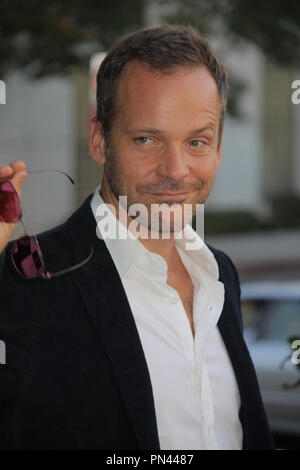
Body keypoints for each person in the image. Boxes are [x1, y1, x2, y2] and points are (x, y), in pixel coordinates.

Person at [0, 25, 275, 450]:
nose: (175, 169)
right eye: (147, 139)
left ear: (219, 150)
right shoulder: (24, 276)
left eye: (197, 141)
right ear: (100, 140)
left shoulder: (219, 273)